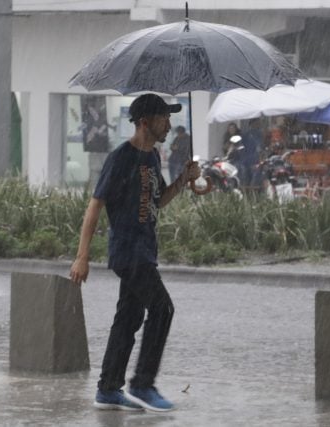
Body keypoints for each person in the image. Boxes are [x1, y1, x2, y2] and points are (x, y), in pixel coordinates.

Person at [70, 93, 201, 413]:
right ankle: (142, 383)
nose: (169, 125)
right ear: (145, 122)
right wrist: (82, 255)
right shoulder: (121, 158)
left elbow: (157, 201)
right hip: (128, 251)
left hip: (145, 248)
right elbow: (95, 205)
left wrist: (184, 179)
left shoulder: (153, 157)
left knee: (128, 318)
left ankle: (108, 388)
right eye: (163, 119)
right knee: (162, 309)